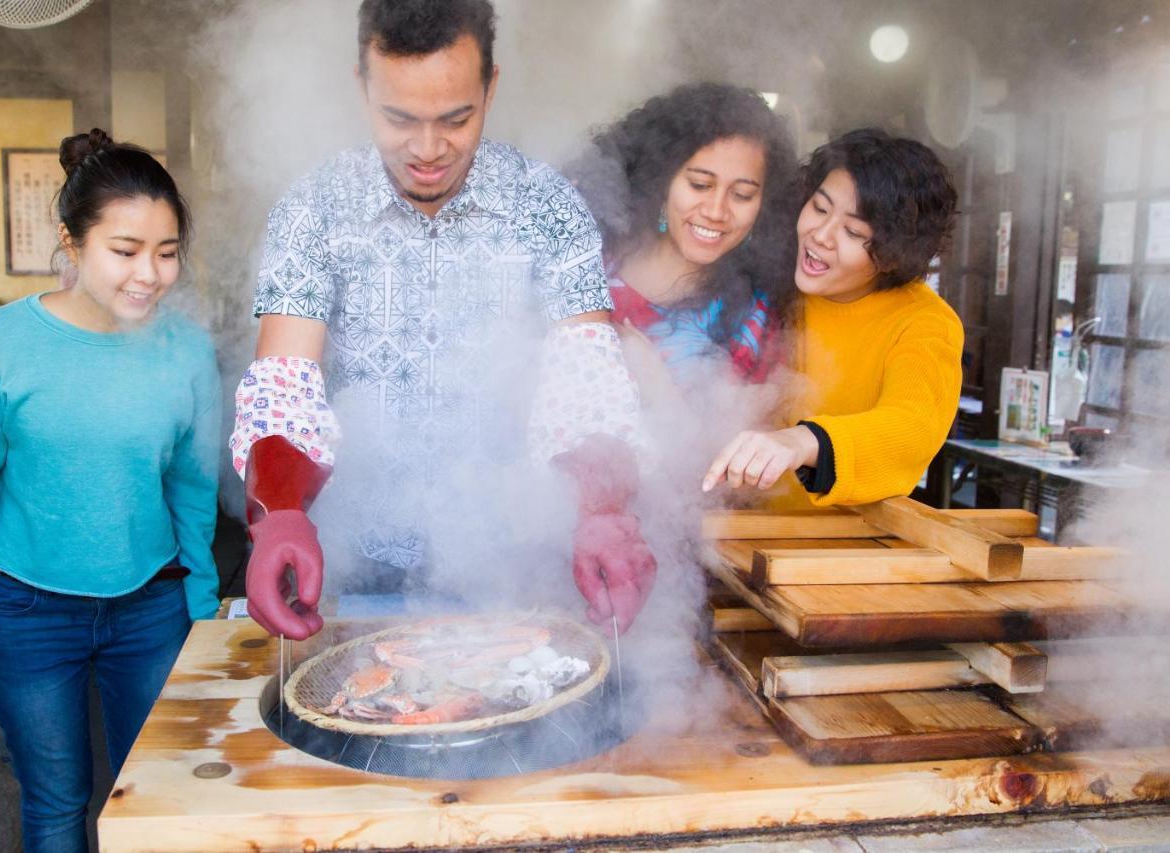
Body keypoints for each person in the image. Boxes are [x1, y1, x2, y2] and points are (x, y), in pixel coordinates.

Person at [230, 0, 656, 639]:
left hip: (510, 567)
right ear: (361, 85)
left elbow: (586, 378)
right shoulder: (313, 208)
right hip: (351, 567)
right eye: (398, 118)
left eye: (456, 119)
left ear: (491, 86)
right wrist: (280, 513)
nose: (427, 150)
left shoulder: (548, 207)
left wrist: (602, 509)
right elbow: (286, 379)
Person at [0, 129, 220, 852]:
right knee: (58, 802)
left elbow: (193, 481)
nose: (150, 274)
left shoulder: (185, 348)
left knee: (151, 793)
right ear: (71, 241)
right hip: (27, 609)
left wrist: (202, 595)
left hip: (150, 604)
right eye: (125, 251)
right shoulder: (0, 344)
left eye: (167, 251)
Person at [702, 128, 962, 505]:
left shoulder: (923, 321)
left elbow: (914, 425)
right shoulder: (770, 281)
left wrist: (802, 441)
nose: (820, 235)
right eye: (820, 208)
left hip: (833, 550)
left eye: (854, 232)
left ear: (893, 256)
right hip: (732, 531)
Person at [571, 82, 799, 400]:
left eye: (742, 195)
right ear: (662, 180)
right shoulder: (585, 257)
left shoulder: (754, 322)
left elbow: (739, 446)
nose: (716, 211)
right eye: (700, 185)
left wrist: (655, 383)